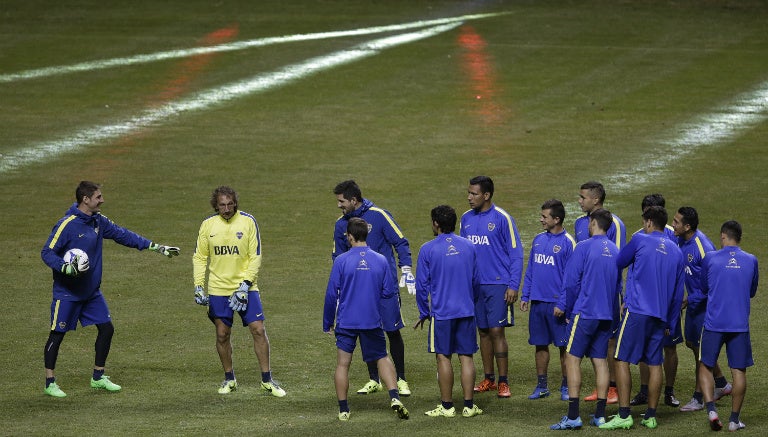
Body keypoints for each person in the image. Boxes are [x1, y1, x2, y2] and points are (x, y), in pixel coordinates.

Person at [41, 181, 180, 398]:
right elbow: (47, 252)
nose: (102, 200)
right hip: (67, 293)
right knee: (57, 334)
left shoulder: (98, 221)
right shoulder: (66, 225)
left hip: (91, 292)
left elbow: (123, 234)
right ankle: (50, 382)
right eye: (98, 197)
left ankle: (98, 377)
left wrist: (156, 247)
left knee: (107, 329)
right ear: (85, 200)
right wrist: (65, 267)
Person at [192, 186, 285, 397]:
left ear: (235, 204)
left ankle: (267, 380)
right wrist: (198, 285)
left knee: (258, 330)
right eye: (222, 205)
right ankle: (229, 378)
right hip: (218, 289)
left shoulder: (248, 222)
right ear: (216, 206)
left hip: (247, 288)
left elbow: (255, 256)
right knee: (222, 334)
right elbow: (200, 257)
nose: (226, 209)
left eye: (230, 204)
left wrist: (245, 285)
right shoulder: (208, 225)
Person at [601, 206, 685, 430]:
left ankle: (625, 414)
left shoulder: (639, 240)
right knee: (655, 363)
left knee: (620, 359)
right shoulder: (677, 252)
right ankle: (650, 415)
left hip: (637, 311)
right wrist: (671, 323)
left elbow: (619, 261)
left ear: (648, 223)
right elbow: (678, 295)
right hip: (661, 316)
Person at [323, 217, 410, 421]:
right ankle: (394, 397)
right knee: (382, 357)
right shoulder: (380, 260)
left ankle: (344, 409)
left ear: (350, 236)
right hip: (371, 320)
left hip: (346, 321)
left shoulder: (341, 260)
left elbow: (331, 295)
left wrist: (327, 321)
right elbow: (389, 293)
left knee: (343, 364)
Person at [332, 180, 413, 396]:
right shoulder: (341, 225)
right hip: (359, 291)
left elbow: (400, 241)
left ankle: (401, 379)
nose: (339, 205)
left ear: (353, 200)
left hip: (385, 289)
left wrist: (405, 268)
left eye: (342, 201)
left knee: (392, 330)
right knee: (365, 330)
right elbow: (338, 257)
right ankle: (373, 379)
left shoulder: (379, 215)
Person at [550, 209, 622, 430]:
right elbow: (618, 287)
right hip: (606, 315)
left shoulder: (583, 247)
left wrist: (564, 307)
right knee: (600, 361)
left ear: (592, 223)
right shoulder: (615, 250)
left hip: (586, 312)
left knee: (572, 359)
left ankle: (573, 416)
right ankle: (600, 416)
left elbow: (571, 283)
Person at [414, 205, 483, 418]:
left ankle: (447, 407)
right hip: (466, 311)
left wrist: (424, 312)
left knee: (443, 357)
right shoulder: (469, 246)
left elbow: (421, 286)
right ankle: (469, 406)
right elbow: (477, 281)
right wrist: (471, 303)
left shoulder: (428, 249)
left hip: (442, 314)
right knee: (467, 357)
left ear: (436, 224)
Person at [460, 175, 524, 398]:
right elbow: (463, 253)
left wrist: (513, 285)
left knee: (497, 331)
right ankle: (489, 379)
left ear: (486, 195)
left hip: (498, 284)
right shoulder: (466, 219)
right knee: (484, 332)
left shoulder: (502, 218)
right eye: (469, 193)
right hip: (476, 286)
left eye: (474, 193)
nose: (469, 197)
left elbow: (516, 254)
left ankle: (504, 381)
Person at [698, 220, 758, 432]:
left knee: (706, 365)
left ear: (723, 236)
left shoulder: (711, 258)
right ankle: (734, 420)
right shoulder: (751, 260)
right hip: (739, 325)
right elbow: (751, 291)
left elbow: (704, 286)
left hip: (714, 323)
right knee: (738, 372)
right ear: (739, 237)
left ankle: (712, 410)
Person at [671, 207, 732, 412]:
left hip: (707, 306)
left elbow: (716, 284)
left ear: (688, 226)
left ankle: (698, 398)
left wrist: (689, 300)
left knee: (701, 353)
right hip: (694, 305)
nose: (673, 225)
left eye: (677, 222)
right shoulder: (679, 239)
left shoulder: (703, 248)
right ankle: (722, 384)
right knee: (692, 344)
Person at [573, 181, 626, 404]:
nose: (580, 201)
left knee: (610, 340)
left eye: (583, 197)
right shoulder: (578, 223)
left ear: (596, 199)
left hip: (606, 292)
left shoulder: (615, 223)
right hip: (584, 293)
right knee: (597, 345)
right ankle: (602, 388)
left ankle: (612, 387)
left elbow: (619, 259)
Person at [628, 194, 682, 408]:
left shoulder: (672, 235)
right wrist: (629, 296)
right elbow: (631, 271)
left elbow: (677, 272)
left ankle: (669, 392)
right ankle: (643, 391)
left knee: (669, 347)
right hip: (641, 303)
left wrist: (675, 308)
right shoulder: (637, 236)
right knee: (644, 349)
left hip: (666, 304)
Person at [520, 199, 576, 401]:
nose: (541, 219)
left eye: (545, 216)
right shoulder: (538, 239)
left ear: (557, 219)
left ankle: (565, 386)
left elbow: (571, 279)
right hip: (538, 302)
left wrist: (563, 304)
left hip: (557, 305)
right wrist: (526, 294)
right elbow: (531, 270)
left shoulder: (568, 243)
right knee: (540, 345)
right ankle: (542, 385)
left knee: (564, 347)